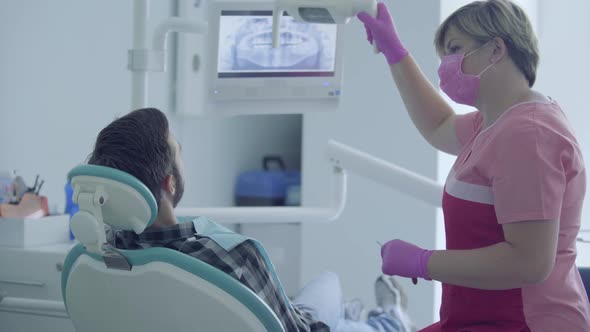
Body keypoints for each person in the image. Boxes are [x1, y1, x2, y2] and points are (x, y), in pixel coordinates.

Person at [357, 0, 590, 331]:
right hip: (482, 316)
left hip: (524, 323)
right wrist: (394, 52)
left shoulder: (529, 135)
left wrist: (423, 261)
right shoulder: (497, 121)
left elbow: (529, 262)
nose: (445, 66)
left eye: (454, 49)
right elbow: (439, 125)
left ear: (496, 49)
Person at [86, 108, 415, 332]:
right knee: (328, 286)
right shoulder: (230, 255)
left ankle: (361, 318)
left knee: (332, 308)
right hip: (297, 323)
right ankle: (388, 322)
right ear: (169, 183)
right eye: (178, 150)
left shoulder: (103, 257)